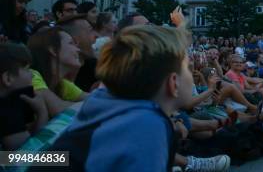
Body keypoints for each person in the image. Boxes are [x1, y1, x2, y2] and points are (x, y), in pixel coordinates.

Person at [36, 25, 231, 172]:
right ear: (174, 83)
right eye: (187, 69)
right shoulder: (148, 124)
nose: (192, 73)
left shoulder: (107, 101)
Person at [27, 27, 87, 118]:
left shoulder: (61, 84)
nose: (78, 50)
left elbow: (95, 99)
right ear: (53, 50)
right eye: (71, 43)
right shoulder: (31, 76)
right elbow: (58, 109)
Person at [0, 43, 49, 150]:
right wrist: (42, 112)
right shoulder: (6, 111)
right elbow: (27, 156)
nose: (32, 75)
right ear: (8, 78)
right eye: (27, 69)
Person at [58, 14, 98, 92]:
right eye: (90, 30)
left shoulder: (96, 68)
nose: (96, 35)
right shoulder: (54, 78)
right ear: (72, 39)